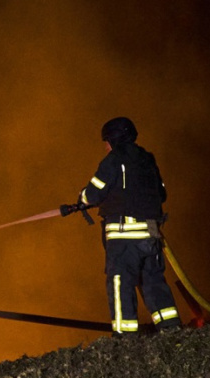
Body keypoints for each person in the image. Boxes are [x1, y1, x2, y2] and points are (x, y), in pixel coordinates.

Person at [76, 117, 181, 336]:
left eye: (106, 142)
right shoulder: (147, 159)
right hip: (151, 233)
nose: (106, 147)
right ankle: (171, 329)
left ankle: (125, 336)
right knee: (153, 280)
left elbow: (93, 194)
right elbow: (161, 194)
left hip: (124, 236)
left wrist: (82, 198)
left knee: (120, 282)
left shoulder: (113, 160)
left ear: (113, 139)